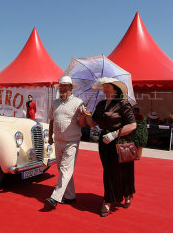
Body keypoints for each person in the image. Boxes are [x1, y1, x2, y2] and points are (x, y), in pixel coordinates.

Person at [84, 77, 137, 217]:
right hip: (104, 142)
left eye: (108, 86)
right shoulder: (101, 104)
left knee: (124, 171)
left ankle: (117, 197)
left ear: (115, 89)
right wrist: (86, 113)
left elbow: (132, 125)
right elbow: (93, 123)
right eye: (104, 86)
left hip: (120, 142)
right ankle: (110, 198)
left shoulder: (123, 104)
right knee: (109, 171)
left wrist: (114, 134)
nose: (105, 89)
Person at [45, 76, 86, 209]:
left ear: (70, 88)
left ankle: (55, 197)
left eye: (65, 86)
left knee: (65, 169)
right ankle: (70, 196)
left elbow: (82, 124)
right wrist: (50, 137)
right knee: (63, 170)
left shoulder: (78, 103)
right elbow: (52, 120)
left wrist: (83, 115)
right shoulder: (55, 103)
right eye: (60, 86)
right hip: (58, 140)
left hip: (72, 142)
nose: (62, 89)